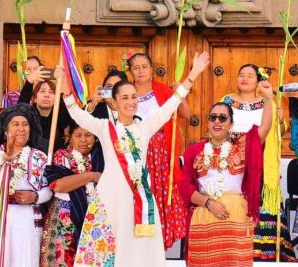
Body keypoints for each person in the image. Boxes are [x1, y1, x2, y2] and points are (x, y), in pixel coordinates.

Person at [58, 51, 209, 266]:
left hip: (140, 198)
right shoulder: (104, 128)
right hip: (111, 197)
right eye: (124, 97)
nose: (130, 102)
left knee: (139, 249)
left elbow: (172, 103)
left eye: (133, 97)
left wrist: (193, 74)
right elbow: (76, 113)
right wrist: (64, 85)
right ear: (115, 101)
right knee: (110, 248)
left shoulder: (145, 127)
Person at [181, 78, 273, 266]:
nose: (217, 121)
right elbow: (184, 187)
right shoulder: (194, 150)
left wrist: (270, 98)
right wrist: (208, 202)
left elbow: (264, 128)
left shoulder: (242, 146)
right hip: (204, 216)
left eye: (223, 118)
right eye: (213, 117)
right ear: (207, 122)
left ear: (231, 124)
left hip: (235, 217)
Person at [221, 64, 297, 262]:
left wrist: (280, 120)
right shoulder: (227, 100)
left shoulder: (267, 102)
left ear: (258, 81)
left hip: (260, 161)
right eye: (241, 75)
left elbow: (278, 133)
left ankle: (265, 254)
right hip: (232, 160)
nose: (244, 78)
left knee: (260, 205)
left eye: (250, 76)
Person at [127, 52, 192, 248]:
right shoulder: (125, 93)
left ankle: (159, 243)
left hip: (161, 156)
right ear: (130, 71)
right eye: (136, 67)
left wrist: (179, 92)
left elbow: (186, 114)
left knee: (159, 196)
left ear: (151, 69)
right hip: (136, 155)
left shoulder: (163, 90)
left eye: (144, 66)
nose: (140, 71)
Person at [0, 103, 51, 267]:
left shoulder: (39, 157)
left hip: (29, 222)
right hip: (1, 221)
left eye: (25, 124)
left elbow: (49, 190)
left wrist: (35, 196)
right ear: (5, 129)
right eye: (15, 124)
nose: (21, 129)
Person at [40, 121, 103, 267]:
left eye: (88, 135)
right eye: (78, 135)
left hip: (94, 219)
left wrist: (75, 180)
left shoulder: (102, 158)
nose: (83, 140)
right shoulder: (61, 155)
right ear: (70, 137)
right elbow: (59, 185)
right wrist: (92, 176)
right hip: (64, 219)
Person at [18, 57, 72, 143]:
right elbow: (20, 110)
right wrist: (29, 82)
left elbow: (70, 121)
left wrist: (63, 81)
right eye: (42, 91)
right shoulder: (29, 115)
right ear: (34, 98)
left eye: (51, 92)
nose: (47, 95)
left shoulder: (59, 113)